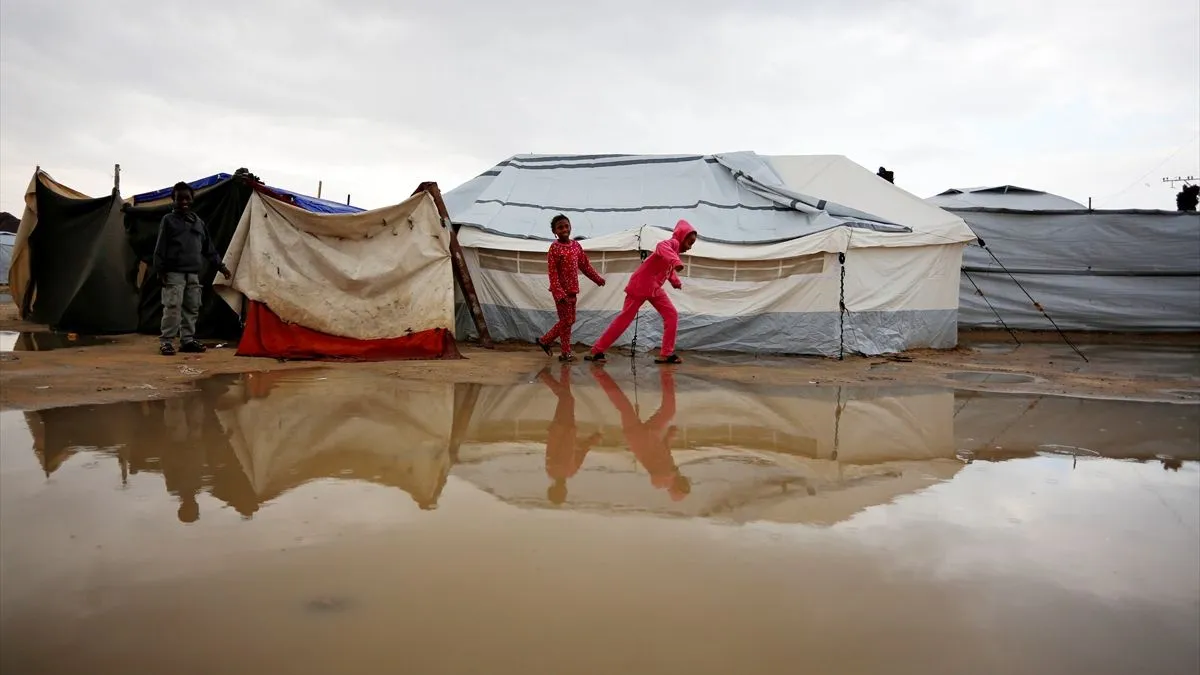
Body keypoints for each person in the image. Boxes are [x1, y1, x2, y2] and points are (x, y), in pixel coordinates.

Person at [585, 219, 696, 365]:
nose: (689, 247)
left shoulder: (674, 251)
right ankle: (597, 350)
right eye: (689, 242)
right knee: (625, 319)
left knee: (671, 315)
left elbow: (667, 270)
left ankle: (667, 353)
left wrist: (675, 281)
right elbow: (661, 246)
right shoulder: (673, 244)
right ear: (682, 236)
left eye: (692, 244)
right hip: (641, 285)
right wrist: (676, 262)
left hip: (653, 288)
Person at [153, 182, 231, 356]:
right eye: (179, 198)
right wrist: (160, 270)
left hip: (193, 274)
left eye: (187, 198)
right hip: (174, 273)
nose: (183, 201)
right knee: (172, 307)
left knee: (192, 307)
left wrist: (222, 267)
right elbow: (161, 246)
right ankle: (166, 342)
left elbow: (208, 248)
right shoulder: (168, 220)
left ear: (192, 199)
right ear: (173, 199)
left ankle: (187, 340)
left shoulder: (198, 223)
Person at [591, 366, 690, 502]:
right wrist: (669, 436)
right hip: (651, 435)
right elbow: (664, 451)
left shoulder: (663, 481)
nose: (685, 481)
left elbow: (655, 479)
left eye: (684, 485)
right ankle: (666, 374)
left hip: (637, 437)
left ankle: (599, 374)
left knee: (625, 407)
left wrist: (671, 474)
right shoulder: (673, 472)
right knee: (668, 411)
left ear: (677, 487)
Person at [535, 214, 605, 362]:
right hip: (560, 292)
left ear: (570, 227)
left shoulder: (576, 246)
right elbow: (552, 273)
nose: (564, 229)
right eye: (560, 227)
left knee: (569, 321)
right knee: (566, 321)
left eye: (566, 226)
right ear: (555, 231)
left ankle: (564, 353)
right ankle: (545, 341)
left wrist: (597, 279)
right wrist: (558, 293)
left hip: (573, 290)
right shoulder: (554, 248)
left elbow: (585, 266)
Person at [539, 364, 602, 505]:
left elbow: (564, 449)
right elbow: (580, 452)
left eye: (561, 492)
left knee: (567, 398)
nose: (564, 490)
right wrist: (593, 439)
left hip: (563, 429)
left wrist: (592, 439)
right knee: (566, 395)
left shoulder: (560, 471)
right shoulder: (565, 472)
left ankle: (545, 376)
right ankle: (564, 369)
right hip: (565, 429)